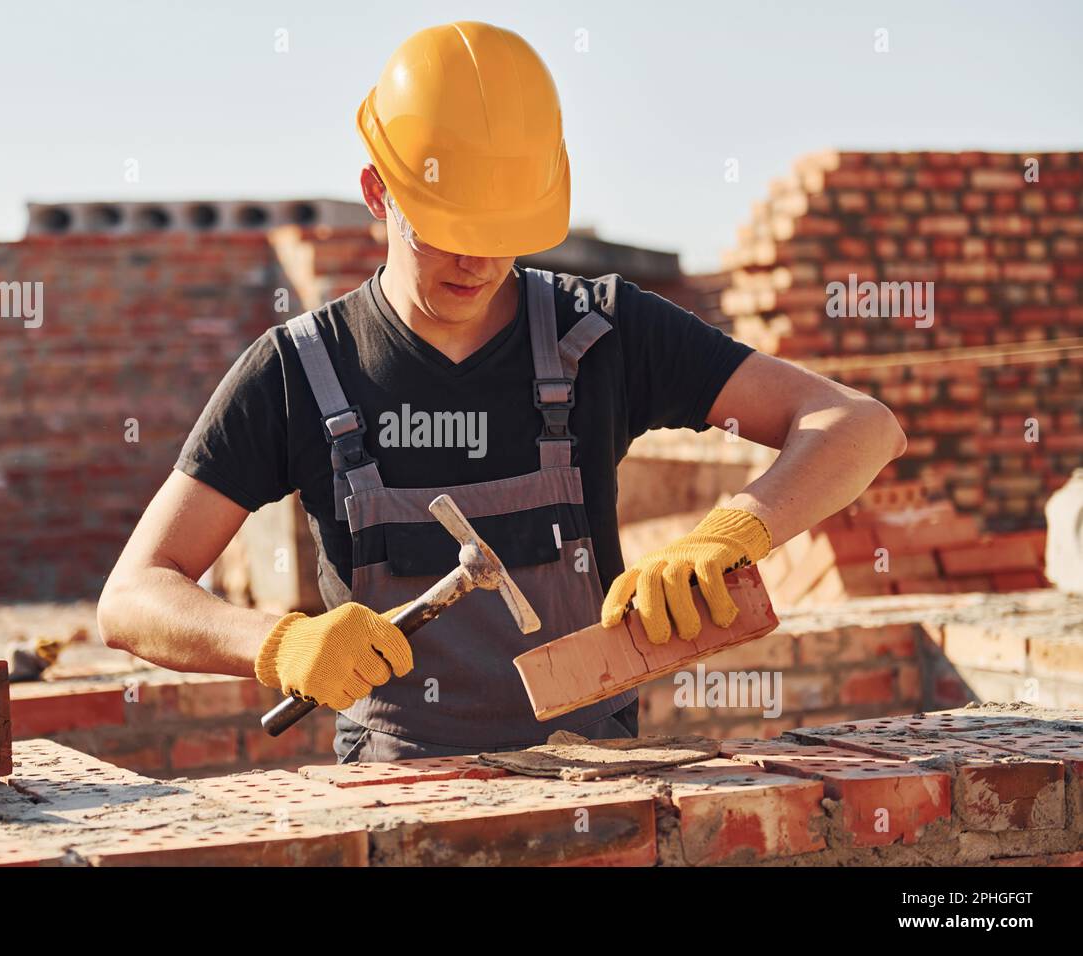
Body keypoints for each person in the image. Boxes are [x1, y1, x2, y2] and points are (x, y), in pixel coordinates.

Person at [98, 21, 906, 763]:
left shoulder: (603, 333)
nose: (479, 264)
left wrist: (730, 536)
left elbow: (857, 426)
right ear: (379, 192)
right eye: (449, 228)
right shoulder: (300, 372)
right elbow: (133, 595)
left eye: (502, 233)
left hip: (599, 789)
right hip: (399, 802)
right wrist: (276, 644)